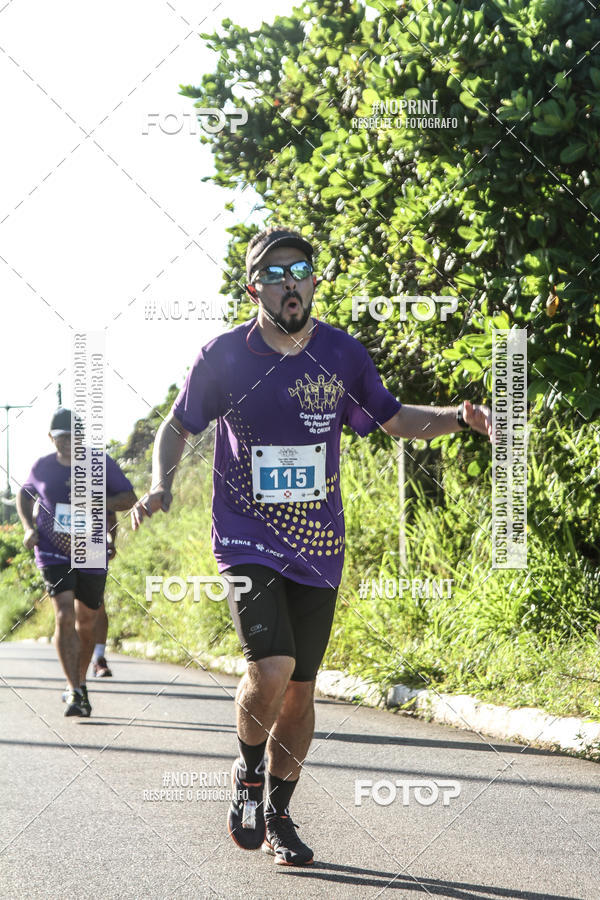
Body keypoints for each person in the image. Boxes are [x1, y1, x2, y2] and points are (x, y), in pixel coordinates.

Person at [131, 227, 492, 865]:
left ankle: (279, 813)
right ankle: (246, 775)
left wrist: (459, 417)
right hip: (245, 537)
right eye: (275, 273)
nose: (290, 281)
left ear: (315, 281)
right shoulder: (221, 357)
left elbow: (394, 418)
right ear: (254, 288)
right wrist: (158, 486)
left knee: (300, 688)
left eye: (300, 269)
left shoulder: (343, 355)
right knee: (268, 668)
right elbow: (178, 423)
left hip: (319, 542)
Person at [17, 408, 136, 716]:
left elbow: (128, 498)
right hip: (52, 551)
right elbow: (25, 494)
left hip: (91, 549)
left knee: (88, 621)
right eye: (62, 437)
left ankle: (80, 682)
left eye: (74, 436)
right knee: (64, 616)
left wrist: (97, 501)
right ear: (52, 438)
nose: (69, 442)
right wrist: (29, 529)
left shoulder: (100, 463)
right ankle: (74, 689)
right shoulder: (42, 467)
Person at [91, 511, 118, 678]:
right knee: (67, 607)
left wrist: (112, 541)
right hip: (59, 549)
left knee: (97, 603)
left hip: (92, 546)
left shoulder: (98, 484)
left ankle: (99, 658)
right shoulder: (53, 483)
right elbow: (38, 508)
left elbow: (111, 512)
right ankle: (73, 665)